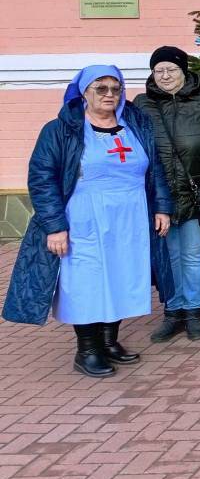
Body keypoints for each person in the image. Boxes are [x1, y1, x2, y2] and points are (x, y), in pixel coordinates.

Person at [2, 66, 174, 377]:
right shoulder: (60, 130)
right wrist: (55, 226)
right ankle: (88, 350)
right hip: (84, 219)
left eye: (116, 88)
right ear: (84, 92)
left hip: (131, 219)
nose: (110, 94)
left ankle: (108, 342)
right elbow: (42, 179)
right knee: (87, 281)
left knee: (122, 275)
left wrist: (162, 207)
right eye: (101, 88)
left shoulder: (136, 124)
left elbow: (155, 169)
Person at [134, 46, 200, 343]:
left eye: (171, 69)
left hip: (196, 192)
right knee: (170, 257)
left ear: (184, 71)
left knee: (193, 255)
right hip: (161, 196)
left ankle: (194, 312)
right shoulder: (142, 104)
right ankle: (173, 312)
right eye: (158, 70)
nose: (165, 75)